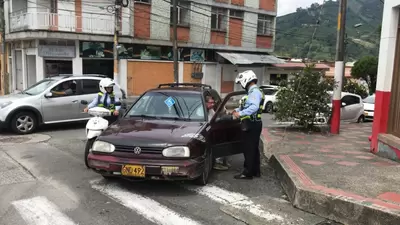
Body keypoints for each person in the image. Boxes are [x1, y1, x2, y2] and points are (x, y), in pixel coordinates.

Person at [232, 70, 265, 179]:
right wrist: (236, 110)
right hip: (254, 123)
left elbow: (254, 107)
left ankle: (248, 172)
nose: (241, 85)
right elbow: (248, 106)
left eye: (241, 82)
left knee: (249, 149)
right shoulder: (253, 92)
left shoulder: (254, 92)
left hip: (251, 124)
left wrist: (239, 114)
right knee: (254, 148)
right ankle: (255, 171)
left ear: (246, 80)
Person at [204, 95, 231, 171]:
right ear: (205, 103)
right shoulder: (201, 111)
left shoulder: (211, 110)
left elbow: (215, 118)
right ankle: (217, 163)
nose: (212, 105)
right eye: (210, 103)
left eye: (213, 103)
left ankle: (222, 161)